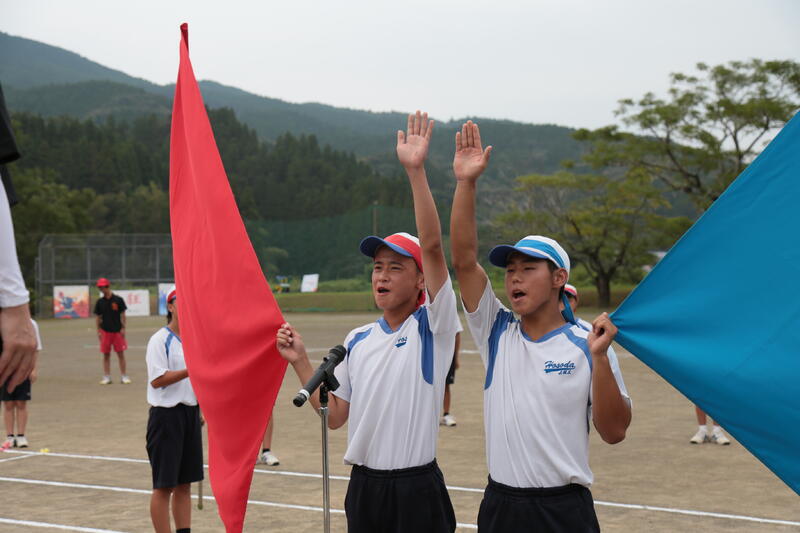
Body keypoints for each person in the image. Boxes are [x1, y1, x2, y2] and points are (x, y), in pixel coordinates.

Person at [277, 111, 460, 533]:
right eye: (378, 267)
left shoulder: (433, 326)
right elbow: (336, 416)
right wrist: (301, 361)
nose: (382, 276)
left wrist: (415, 171)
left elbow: (433, 247)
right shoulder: (357, 339)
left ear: (421, 280)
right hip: (365, 487)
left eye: (396, 267)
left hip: (417, 486)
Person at [450, 120, 632, 532]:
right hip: (501, 505)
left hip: (562, 510)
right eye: (510, 270)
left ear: (558, 278)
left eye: (528, 268)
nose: (514, 278)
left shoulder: (588, 343)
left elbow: (615, 432)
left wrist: (601, 360)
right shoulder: (496, 332)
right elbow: (463, 261)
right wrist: (465, 183)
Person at [145, 289, 203, 533]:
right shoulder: (160, 339)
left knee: (184, 484)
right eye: (181, 302)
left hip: (190, 414)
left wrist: (201, 408)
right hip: (166, 417)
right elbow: (157, 379)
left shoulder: (195, 339)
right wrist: (191, 369)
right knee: (164, 486)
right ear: (170, 307)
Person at [2, 319, 41, 448]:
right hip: (6, 369)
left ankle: (21, 436)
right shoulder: (3, 322)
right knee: (8, 404)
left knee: (21, 403)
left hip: (23, 368)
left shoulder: (31, 324)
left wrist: (33, 369)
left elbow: (36, 349)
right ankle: (9, 436)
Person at [94, 278, 130, 384]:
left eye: (103, 287)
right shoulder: (100, 302)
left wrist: (123, 328)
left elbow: (123, 314)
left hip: (117, 331)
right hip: (105, 332)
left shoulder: (118, 300)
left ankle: (124, 376)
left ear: (107, 286)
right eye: (100, 287)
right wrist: (98, 330)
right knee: (106, 355)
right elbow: (98, 317)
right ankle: (107, 377)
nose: (101, 289)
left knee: (120, 354)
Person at [440, 332, 460, 427]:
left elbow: (457, 334)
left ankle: (446, 414)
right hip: (431, 354)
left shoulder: (451, 320)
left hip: (447, 355)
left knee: (446, 385)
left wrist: (456, 358)